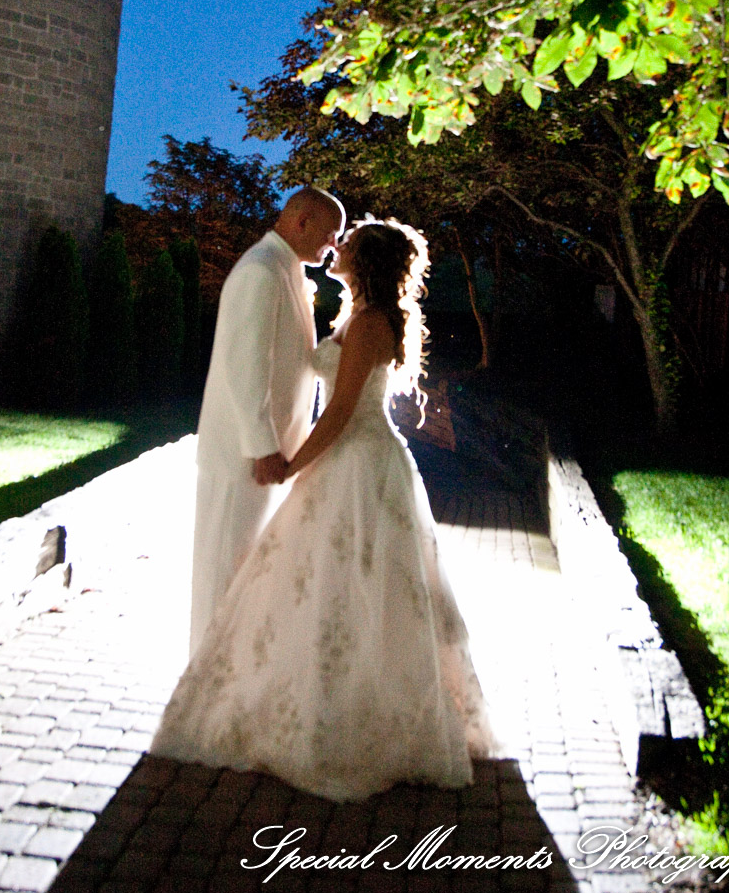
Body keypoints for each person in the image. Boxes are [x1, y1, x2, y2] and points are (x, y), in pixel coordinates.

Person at [152, 217, 494, 802]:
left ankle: (349, 719)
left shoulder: (370, 323)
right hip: (346, 459)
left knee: (353, 586)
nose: (337, 247)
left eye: (348, 244)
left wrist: (290, 464)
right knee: (326, 586)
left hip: (358, 463)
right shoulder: (354, 314)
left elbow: (338, 415)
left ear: (365, 262)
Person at [188, 186, 345, 657]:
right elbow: (245, 365)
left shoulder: (284, 268)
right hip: (244, 460)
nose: (333, 245)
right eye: (330, 233)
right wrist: (263, 447)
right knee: (222, 581)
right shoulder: (260, 270)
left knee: (246, 584)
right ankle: (204, 683)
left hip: (272, 459)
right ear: (302, 221)